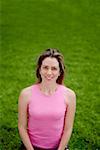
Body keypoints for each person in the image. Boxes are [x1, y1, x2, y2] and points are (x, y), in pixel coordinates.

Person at [18, 48, 76, 150]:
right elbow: (22, 127)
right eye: (45, 67)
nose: (49, 73)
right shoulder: (26, 94)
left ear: (59, 72)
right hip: (31, 147)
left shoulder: (69, 95)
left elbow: (68, 128)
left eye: (54, 68)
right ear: (39, 70)